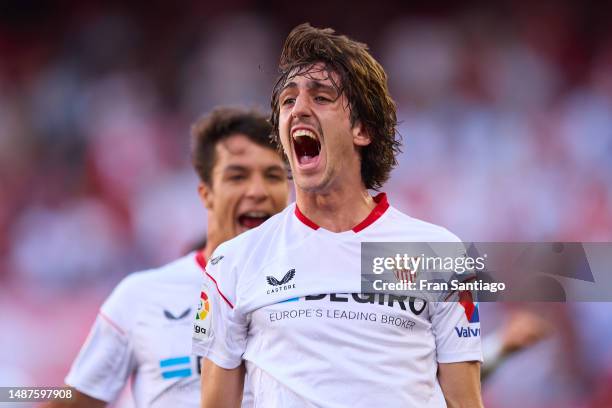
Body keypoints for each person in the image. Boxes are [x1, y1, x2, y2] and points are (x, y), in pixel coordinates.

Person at [193, 24, 483, 408]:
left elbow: (466, 403)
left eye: (322, 97)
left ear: (362, 129)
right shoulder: (235, 260)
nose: (299, 109)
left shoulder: (439, 255)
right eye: (288, 101)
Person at [46, 108, 290, 408]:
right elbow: (73, 399)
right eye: (237, 176)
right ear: (206, 193)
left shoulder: (316, 289)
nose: (257, 191)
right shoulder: (141, 296)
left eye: (273, 175)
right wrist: (11, 393)